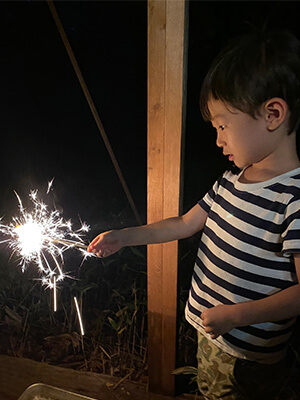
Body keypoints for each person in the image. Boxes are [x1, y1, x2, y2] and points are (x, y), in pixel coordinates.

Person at [88, 29, 300, 399]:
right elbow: (185, 224)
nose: (217, 139)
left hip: (247, 356)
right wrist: (125, 236)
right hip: (213, 335)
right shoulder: (231, 181)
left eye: (223, 126)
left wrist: (236, 316)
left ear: (272, 114)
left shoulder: (293, 200)